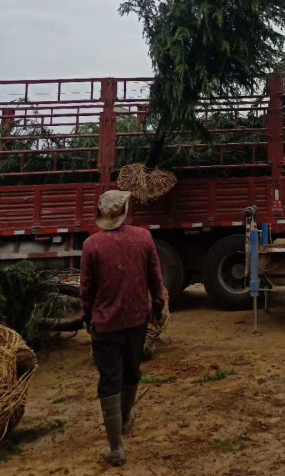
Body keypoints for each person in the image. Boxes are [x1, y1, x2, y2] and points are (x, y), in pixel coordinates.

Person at [80, 189, 165, 466]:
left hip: (105, 325)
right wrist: (158, 305)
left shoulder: (91, 245)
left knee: (109, 379)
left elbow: (87, 289)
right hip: (136, 320)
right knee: (132, 371)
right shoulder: (144, 237)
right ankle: (126, 418)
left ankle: (116, 447)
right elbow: (155, 276)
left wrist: (87, 316)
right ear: (125, 212)